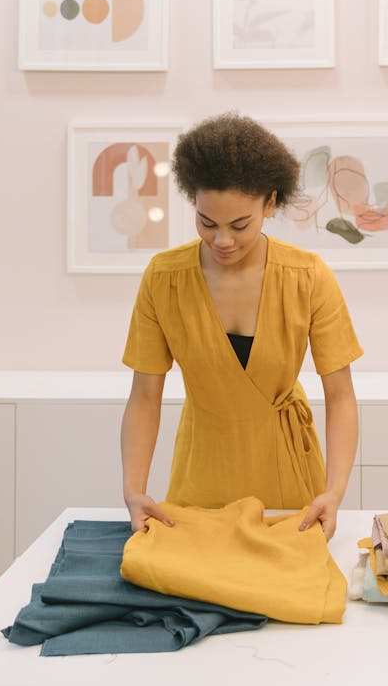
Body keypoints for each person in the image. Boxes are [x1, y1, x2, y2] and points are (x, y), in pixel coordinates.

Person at [120, 112, 363, 542]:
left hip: (289, 482)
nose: (222, 241)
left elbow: (340, 395)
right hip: (200, 482)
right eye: (206, 223)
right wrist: (133, 490)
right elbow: (144, 396)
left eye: (240, 225)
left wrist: (335, 491)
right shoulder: (163, 278)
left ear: (270, 203)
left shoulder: (307, 276)